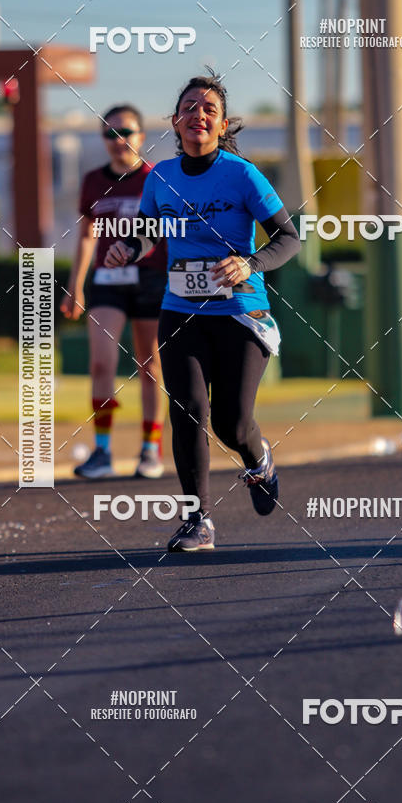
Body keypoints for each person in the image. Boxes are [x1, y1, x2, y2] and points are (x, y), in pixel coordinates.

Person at [105, 71, 300, 551]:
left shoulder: (242, 174)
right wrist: (127, 249)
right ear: (175, 121)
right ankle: (198, 521)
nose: (199, 115)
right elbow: (148, 233)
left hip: (240, 312)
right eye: (189, 107)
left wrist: (249, 263)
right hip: (181, 310)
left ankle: (258, 459)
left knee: (232, 423)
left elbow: (288, 238)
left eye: (209, 109)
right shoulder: (160, 177)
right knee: (188, 412)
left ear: (223, 124)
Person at [60, 105, 167, 479]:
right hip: (107, 282)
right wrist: (75, 285)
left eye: (126, 132)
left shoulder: (156, 178)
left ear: (141, 136)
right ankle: (103, 451)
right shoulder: (93, 181)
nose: (119, 140)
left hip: (151, 279)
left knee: (149, 365)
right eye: (110, 133)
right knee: (101, 363)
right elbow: (87, 236)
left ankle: (150, 449)